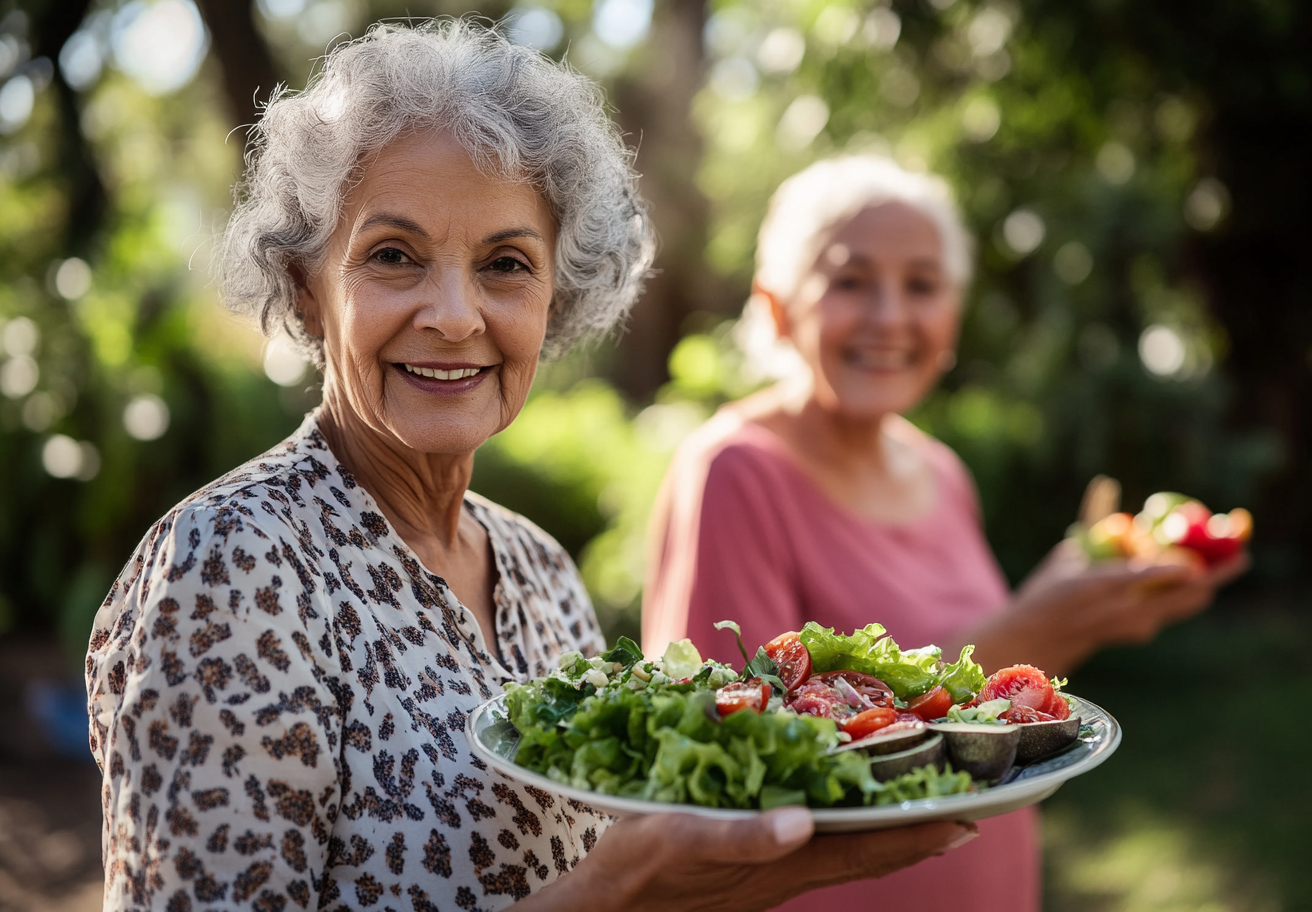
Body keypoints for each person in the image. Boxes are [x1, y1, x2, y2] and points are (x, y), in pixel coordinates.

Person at [84, 23, 974, 912]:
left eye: (506, 264)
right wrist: (616, 894)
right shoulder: (233, 563)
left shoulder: (542, 572)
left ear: (556, 301)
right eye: (393, 256)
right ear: (310, 288)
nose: (456, 314)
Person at [642, 155, 1248, 912]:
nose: (890, 315)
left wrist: (1078, 614)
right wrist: (1037, 622)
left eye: (922, 285)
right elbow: (743, 754)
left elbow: (977, 684)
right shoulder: (733, 472)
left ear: (953, 315)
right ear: (776, 307)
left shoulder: (942, 472)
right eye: (850, 280)